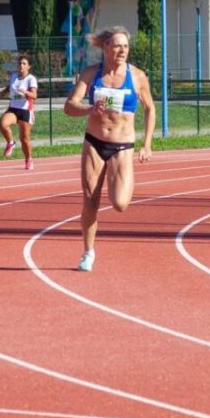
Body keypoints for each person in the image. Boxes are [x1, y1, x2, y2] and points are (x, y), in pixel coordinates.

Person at [63, 26, 155, 272]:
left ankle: (125, 179)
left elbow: (149, 109)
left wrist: (147, 144)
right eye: (117, 45)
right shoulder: (91, 73)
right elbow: (69, 106)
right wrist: (89, 109)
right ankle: (88, 252)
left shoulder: (137, 77)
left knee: (120, 203)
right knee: (90, 200)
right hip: (94, 142)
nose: (122, 50)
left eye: (125, 46)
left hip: (122, 146)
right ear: (105, 47)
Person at [0, 54, 38, 170]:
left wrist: (25, 92)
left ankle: (28, 159)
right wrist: (3, 92)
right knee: (3, 124)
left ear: (29, 66)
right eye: (20, 63)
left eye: (24, 63)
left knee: (24, 139)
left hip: (25, 110)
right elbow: (10, 87)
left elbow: (34, 95)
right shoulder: (14, 76)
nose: (21, 65)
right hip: (13, 108)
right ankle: (10, 142)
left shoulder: (31, 79)